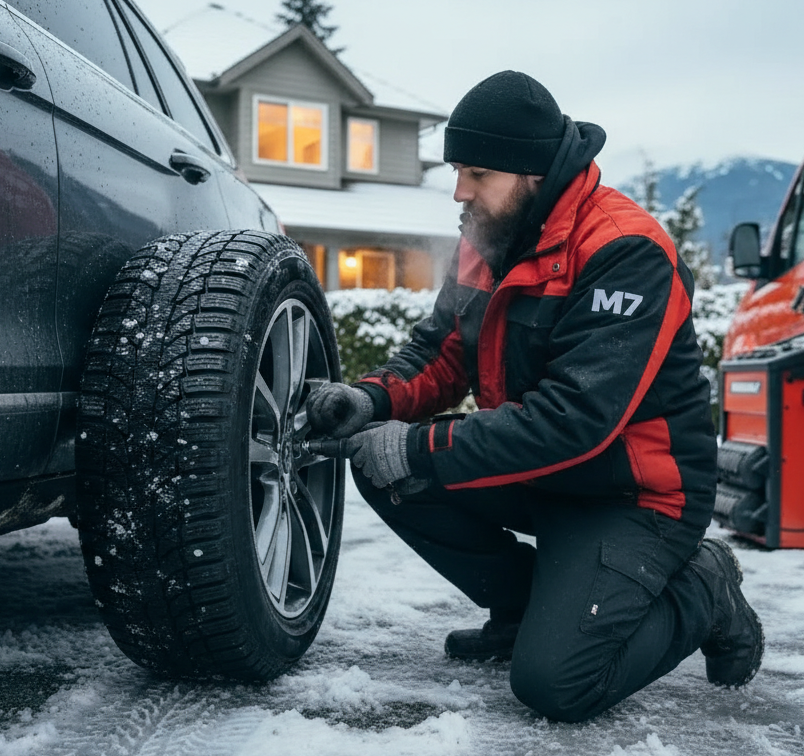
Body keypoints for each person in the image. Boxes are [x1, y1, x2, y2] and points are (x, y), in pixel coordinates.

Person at [305, 70, 762, 723]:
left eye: (476, 174)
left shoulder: (625, 252)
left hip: (635, 495)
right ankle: (523, 614)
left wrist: (416, 443)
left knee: (558, 685)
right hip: (546, 474)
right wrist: (371, 401)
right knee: (382, 469)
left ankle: (705, 588)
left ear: (531, 175)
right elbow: (440, 351)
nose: (459, 191)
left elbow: (574, 421)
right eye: (456, 171)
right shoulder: (488, 239)